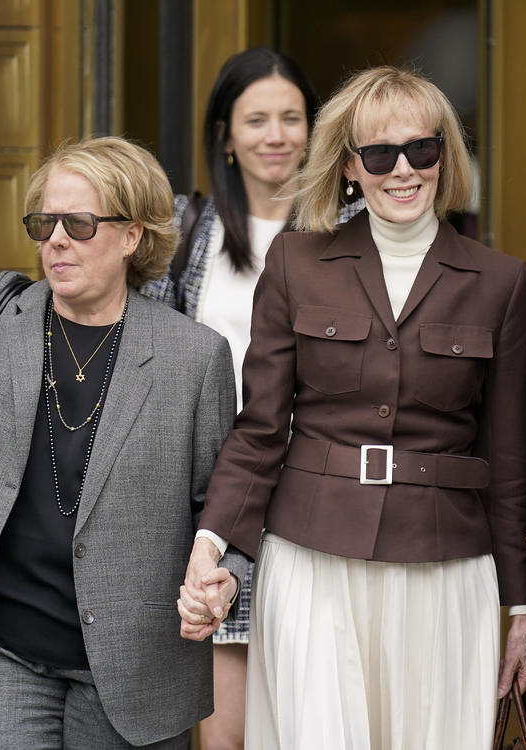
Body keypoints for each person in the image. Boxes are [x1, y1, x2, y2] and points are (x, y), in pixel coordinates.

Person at [177, 66, 526, 749]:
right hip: (312, 561)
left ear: (444, 157)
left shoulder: (500, 281)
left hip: (446, 566)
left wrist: (520, 608)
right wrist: (209, 545)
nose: (402, 170)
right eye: (379, 154)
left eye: (421, 150)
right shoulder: (295, 263)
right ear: (350, 166)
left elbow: (508, 460)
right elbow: (260, 430)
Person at [0, 136, 239, 749]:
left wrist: (223, 576)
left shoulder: (194, 357)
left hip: (132, 663)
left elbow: (219, 505)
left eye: (80, 223)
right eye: (45, 222)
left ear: (132, 236)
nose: (56, 239)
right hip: (0, 644)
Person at [141, 46, 318, 750]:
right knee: (228, 736)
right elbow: (150, 367)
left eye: (291, 118)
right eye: (256, 120)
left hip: (321, 497)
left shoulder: (354, 228)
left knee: (319, 720)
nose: (276, 136)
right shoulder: (189, 234)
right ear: (225, 134)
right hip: (219, 504)